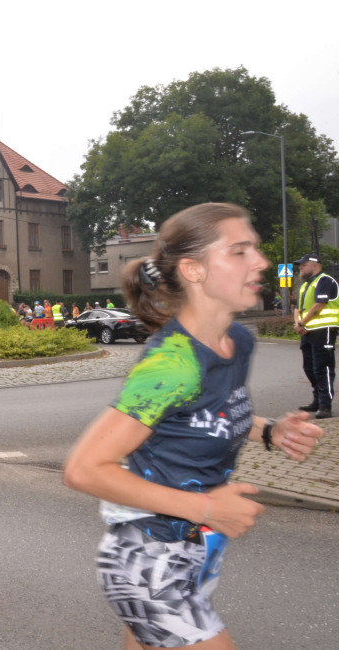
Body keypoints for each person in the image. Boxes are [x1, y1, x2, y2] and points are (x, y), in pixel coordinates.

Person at [64, 202, 325, 650]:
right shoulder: (172, 364)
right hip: (148, 553)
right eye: (240, 251)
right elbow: (85, 469)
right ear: (193, 270)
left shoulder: (238, 341)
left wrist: (268, 430)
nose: (261, 262)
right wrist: (205, 508)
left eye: (256, 250)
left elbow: (211, 412)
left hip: (193, 549)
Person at [293, 253, 339, 419]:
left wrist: (302, 323)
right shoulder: (306, 285)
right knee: (309, 367)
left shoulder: (325, 281)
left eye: (303, 264)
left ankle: (325, 406)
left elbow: (320, 305)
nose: (301, 268)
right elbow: (297, 307)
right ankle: (318, 400)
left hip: (324, 330)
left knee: (323, 368)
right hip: (308, 331)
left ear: (314, 264)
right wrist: (298, 323)